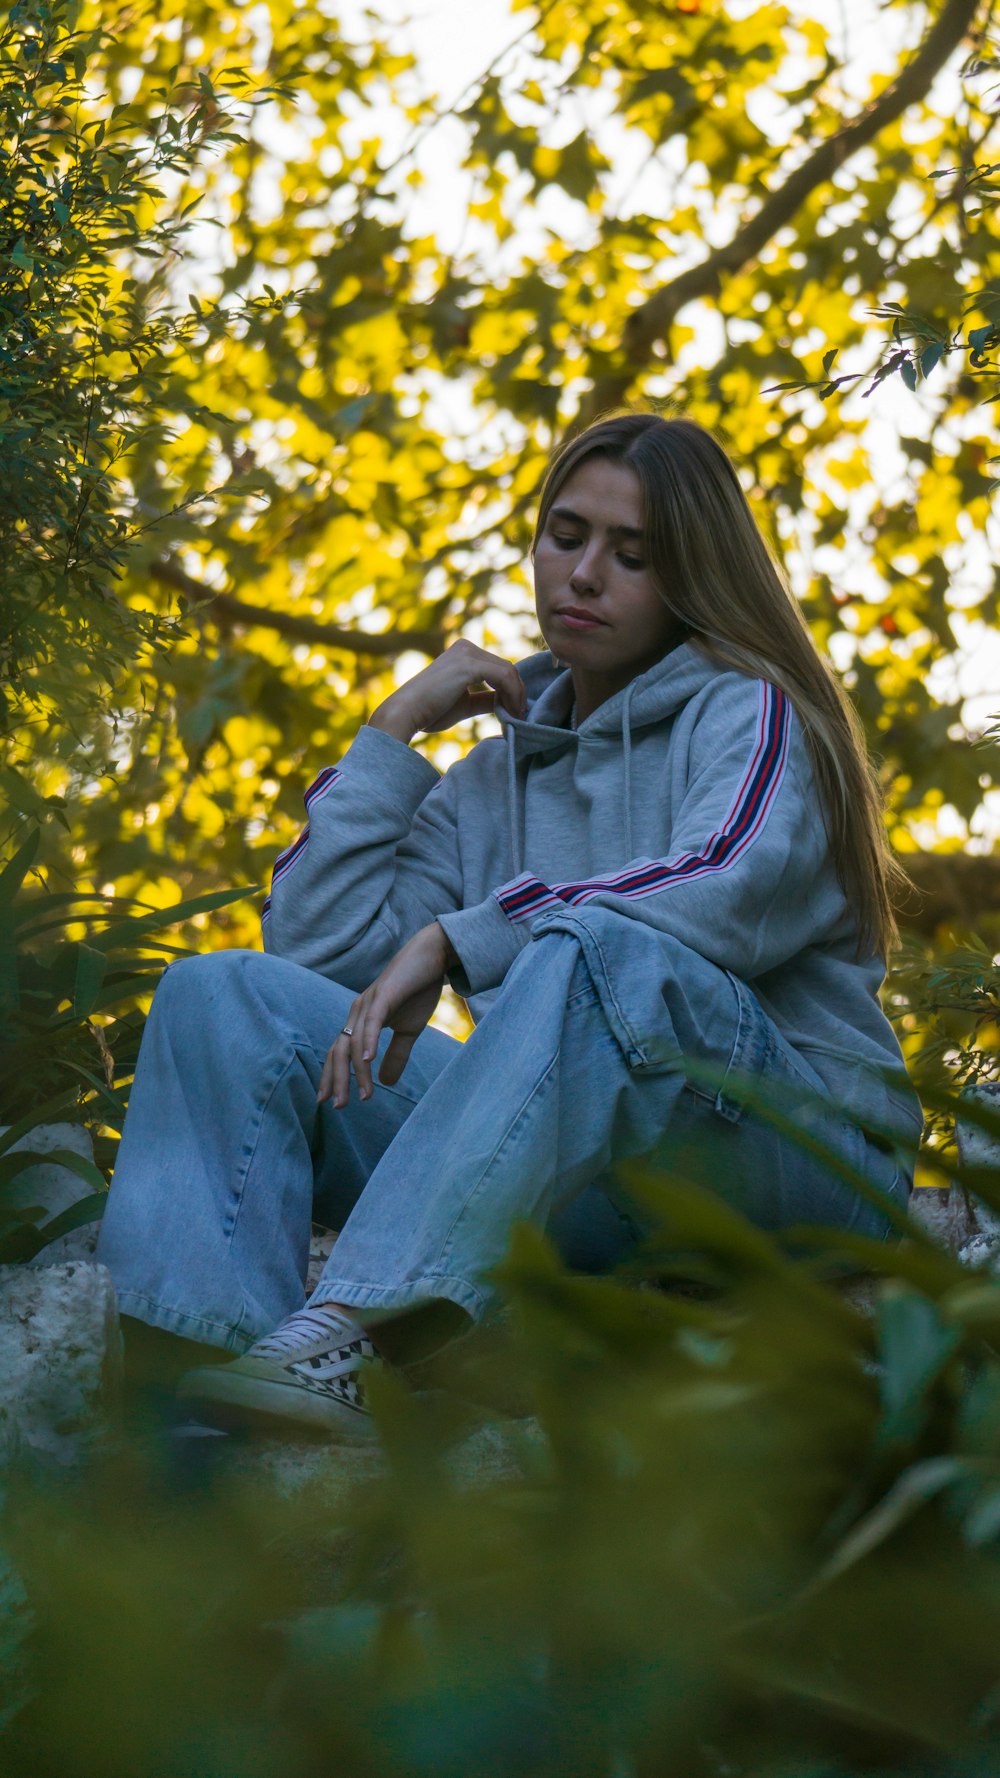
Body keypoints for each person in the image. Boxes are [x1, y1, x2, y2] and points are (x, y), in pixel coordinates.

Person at [95, 412, 923, 1439]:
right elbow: (317, 953)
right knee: (221, 995)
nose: (582, 574)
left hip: (787, 1161)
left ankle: (357, 1332)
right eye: (564, 535)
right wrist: (392, 736)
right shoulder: (491, 780)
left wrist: (463, 936)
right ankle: (183, 1424)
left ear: (690, 579)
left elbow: (727, 884)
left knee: (601, 946)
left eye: (633, 555)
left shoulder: (751, 712)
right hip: (574, 1184)